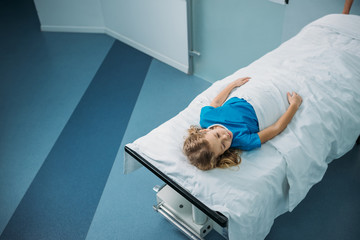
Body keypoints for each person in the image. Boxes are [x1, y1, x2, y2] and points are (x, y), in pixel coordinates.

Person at [183, 77, 302, 170]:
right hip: (262, 106)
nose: (226, 137)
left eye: (217, 135)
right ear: (222, 153)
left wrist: (233, 84)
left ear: (205, 130)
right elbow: (276, 128)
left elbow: (217, 102)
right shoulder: (244, 141)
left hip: (246, 93)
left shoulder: (206, 118)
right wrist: (294, 106)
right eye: (223, 146)